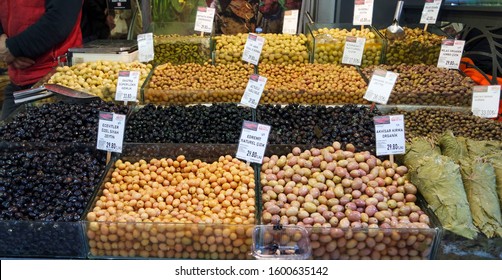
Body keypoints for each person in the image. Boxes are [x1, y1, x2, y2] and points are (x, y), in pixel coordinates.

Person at [0, 0, 83, 120]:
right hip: (17, 82)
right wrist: (4, 44)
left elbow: (59, 21)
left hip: (56, 82)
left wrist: (13, 49)